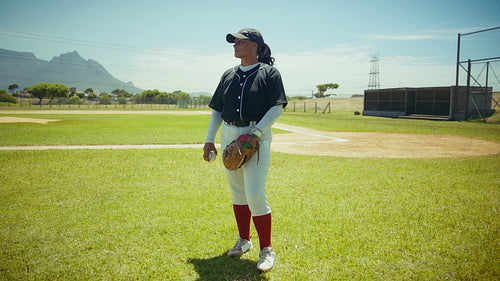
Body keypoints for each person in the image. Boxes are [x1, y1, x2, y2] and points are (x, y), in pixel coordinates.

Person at [203, 27, 287, 272]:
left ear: (255, 46)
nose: (235, 45)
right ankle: (244, 241)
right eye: (234, 42)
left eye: (240, 42)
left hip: (255, 136)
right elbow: (217, 109)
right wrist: (209, 139)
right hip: (230, 134)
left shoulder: (269, 73)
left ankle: (266, 249)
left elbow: (277, 106)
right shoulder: (228, 75)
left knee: (255, 193)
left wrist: (257, 133)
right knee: (238, 193)